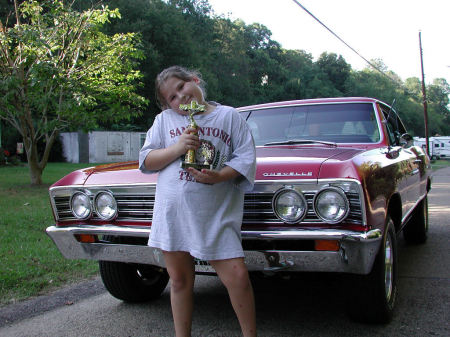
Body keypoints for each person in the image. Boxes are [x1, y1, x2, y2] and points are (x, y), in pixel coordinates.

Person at [139, 65, 257, 337]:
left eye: (181, 87)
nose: (180, 97)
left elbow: (245, 158)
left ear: (194, 80)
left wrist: (220, 176)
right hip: (174, 215)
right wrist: (178, 148)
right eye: (172, 97)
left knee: (238, 277)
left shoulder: (229, 116)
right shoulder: (164, 121)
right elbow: (146, 160)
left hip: (215, 214)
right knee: (179, 281)